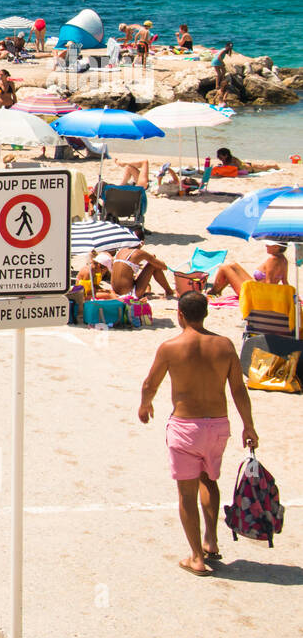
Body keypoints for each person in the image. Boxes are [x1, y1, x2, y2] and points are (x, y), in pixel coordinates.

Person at [138, 291, 259, 576]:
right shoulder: (225, 346)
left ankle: (196, 557)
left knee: (186, 493)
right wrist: (249, 425)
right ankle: (211, 541)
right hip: (218, 426)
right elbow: (238, 390)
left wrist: (145, 406)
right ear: (206, 314)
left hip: (186, 427)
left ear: (179, 314)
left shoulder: (170, 347)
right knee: (210, 480)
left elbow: (149, 384)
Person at [209, 243, 289, 296]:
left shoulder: (272, 260)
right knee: (233, 265)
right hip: (256, 288)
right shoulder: (284, 260)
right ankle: (217, 292)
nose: (266, 245)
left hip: (255, 294)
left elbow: (269, 283)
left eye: (268, 244)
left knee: (224, 267)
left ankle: (213, 292)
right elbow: (285, 281)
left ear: (276, 247)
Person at [111, 245, 176, 298]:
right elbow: (163, 267)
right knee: (153, 265)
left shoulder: (121, 251)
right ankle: (169, 291)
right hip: (130, 294)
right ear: (141, 242)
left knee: (151, 266)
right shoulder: (138, 253)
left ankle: (166, 291)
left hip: (115, 292)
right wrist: (152, 258)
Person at [214, 147, 279, 174]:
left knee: (264, 168)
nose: (218, 157)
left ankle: (274, 166)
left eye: (220, 156)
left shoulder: (233, 160)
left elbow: (237, 168)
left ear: (226, 155)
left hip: (250, 168)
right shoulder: (224, 160)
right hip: (246, 164)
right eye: (218, 156)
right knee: (262, 166)